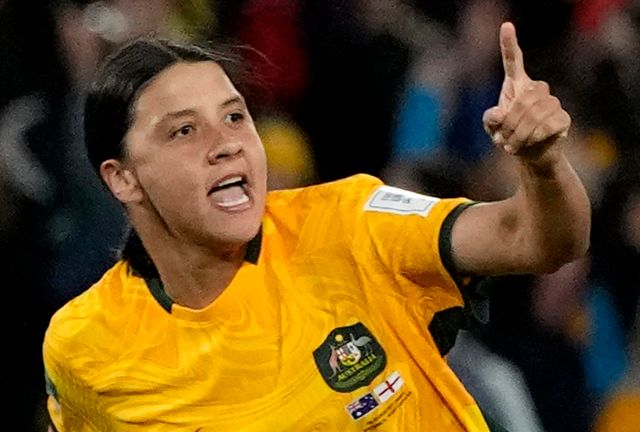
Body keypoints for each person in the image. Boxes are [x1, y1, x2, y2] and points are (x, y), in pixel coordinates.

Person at [42, 22, 590, 431]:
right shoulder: (85, 348)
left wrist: (542, 165)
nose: (227, 143)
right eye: (184, 131)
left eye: (235, 116)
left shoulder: (349, 222)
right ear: (123, 179)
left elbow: (538, 239)